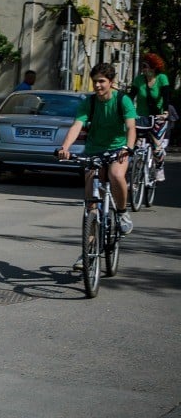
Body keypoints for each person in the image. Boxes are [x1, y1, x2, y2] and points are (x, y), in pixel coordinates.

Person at [58, 63, 137, 271]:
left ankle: (121, 213)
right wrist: (65, 147)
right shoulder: (89, 103)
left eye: (102, 81)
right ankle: (87, 252)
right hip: (93, 149)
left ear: (111, 82)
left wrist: (128, 147)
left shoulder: (122, 100)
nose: (98, 85)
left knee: (115, 174)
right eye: (95, 81)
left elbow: (131, 126)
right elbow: (77, 125)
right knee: (91, 205)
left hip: (118, 149)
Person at [130, 52, 170, 181]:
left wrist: (165, 112)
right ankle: (135, 171)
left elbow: (166, 96)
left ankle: (159, 166)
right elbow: (131, 97)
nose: (143, 69)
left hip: (158, 117)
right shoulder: (139, 80)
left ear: (153, 67)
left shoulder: (162, 78)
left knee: (156, 147)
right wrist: (128, 112)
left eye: (145, 66)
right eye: (142, 66)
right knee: (136, 145)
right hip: (141, 116)